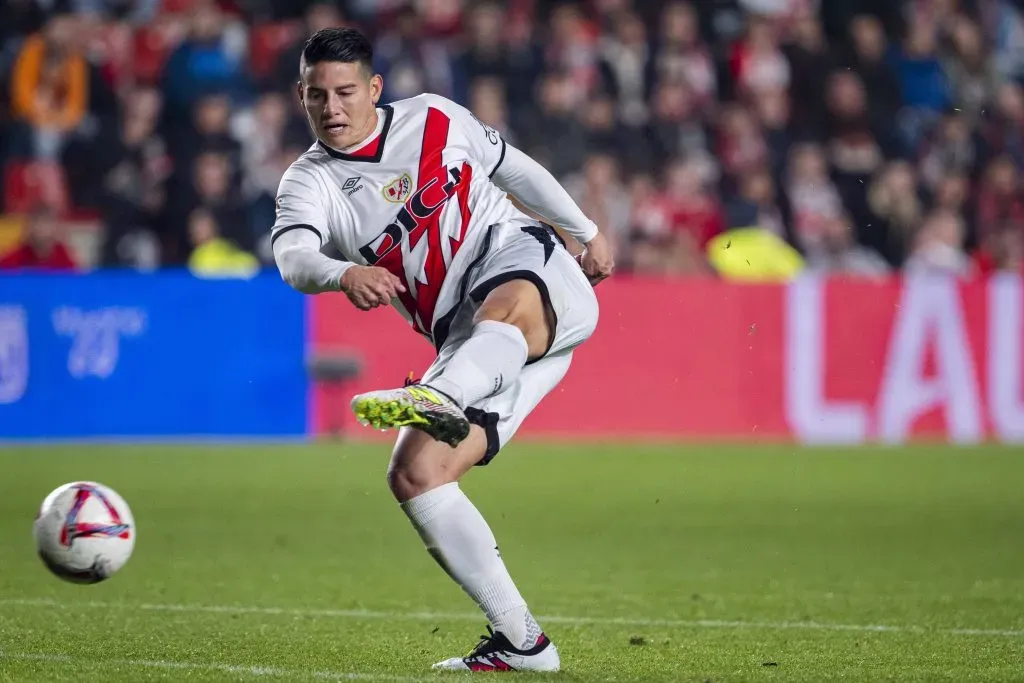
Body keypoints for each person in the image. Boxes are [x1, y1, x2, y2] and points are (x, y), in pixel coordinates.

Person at [271, 27, 613, 673]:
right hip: (478, 346)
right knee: (415, 474)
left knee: (501, 300)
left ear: (374, 88)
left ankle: (440, 394)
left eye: (345, 92)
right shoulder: (308, 182)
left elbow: (511, 165)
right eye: (317, 96)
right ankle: (522, 641)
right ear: (301, 96)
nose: (332, 109)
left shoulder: (434, 117)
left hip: (527, 270)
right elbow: (292, 257)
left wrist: (583, 228)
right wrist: (342, 273)